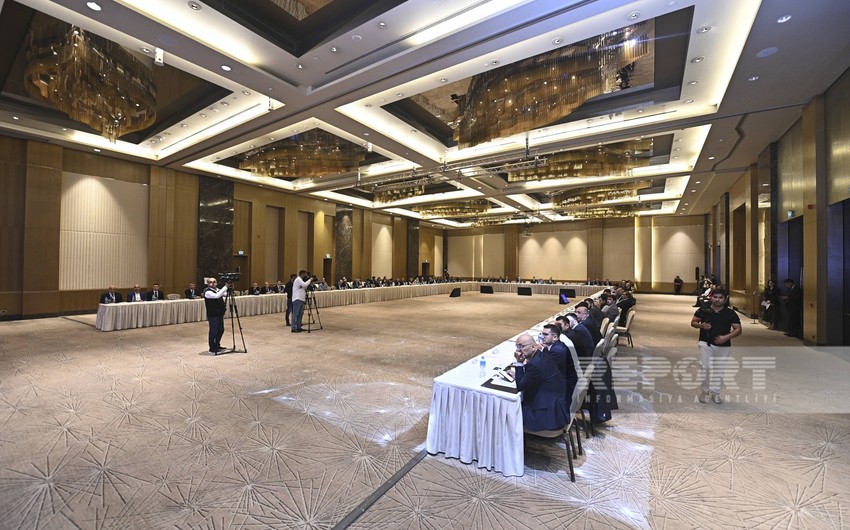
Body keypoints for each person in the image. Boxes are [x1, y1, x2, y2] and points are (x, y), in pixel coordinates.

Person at [691, 288, 742, 404]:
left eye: (720, 298)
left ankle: (715, 393)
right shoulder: (703, 310)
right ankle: (704, 391)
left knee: (719, 370)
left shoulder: (730, 313)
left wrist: (726, 337)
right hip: (705, 342)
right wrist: (702, 326)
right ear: (711, 297)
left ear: (725, 299)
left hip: (724, 346)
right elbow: (693, 322)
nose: (717, 300)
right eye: (715, 297)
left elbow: (738, 329)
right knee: (705, 367)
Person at [509, 333, 569, 432]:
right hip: (556, 404)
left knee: (510, 413)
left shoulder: (535, 364)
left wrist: (519, 362)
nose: (518, 350)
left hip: (548, 414)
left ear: (533, 347)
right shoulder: (541, 356)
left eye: (521, 346)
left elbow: (520, 385)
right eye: (517, 346)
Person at [539, 324, 578, 400]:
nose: (542, 337)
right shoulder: (557, 345)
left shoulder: (557, 351)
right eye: (542, 334)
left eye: (546, 335)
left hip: (564, 387)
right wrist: (543, 349)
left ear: (555, 337)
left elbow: (547, 370)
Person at [203, 276, 229, 354]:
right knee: (213, 331)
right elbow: (216, 296)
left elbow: (225, 294)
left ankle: (217, 345)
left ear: (217, 283)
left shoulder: (217, 290)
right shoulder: (207, 292)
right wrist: (226, 286)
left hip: (219, 314)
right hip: (213, 315)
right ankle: (212, 347)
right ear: (207, 284)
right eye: (210, 282)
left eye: (214, 282)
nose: (213, 283)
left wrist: (229, 288)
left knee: (220, 330)